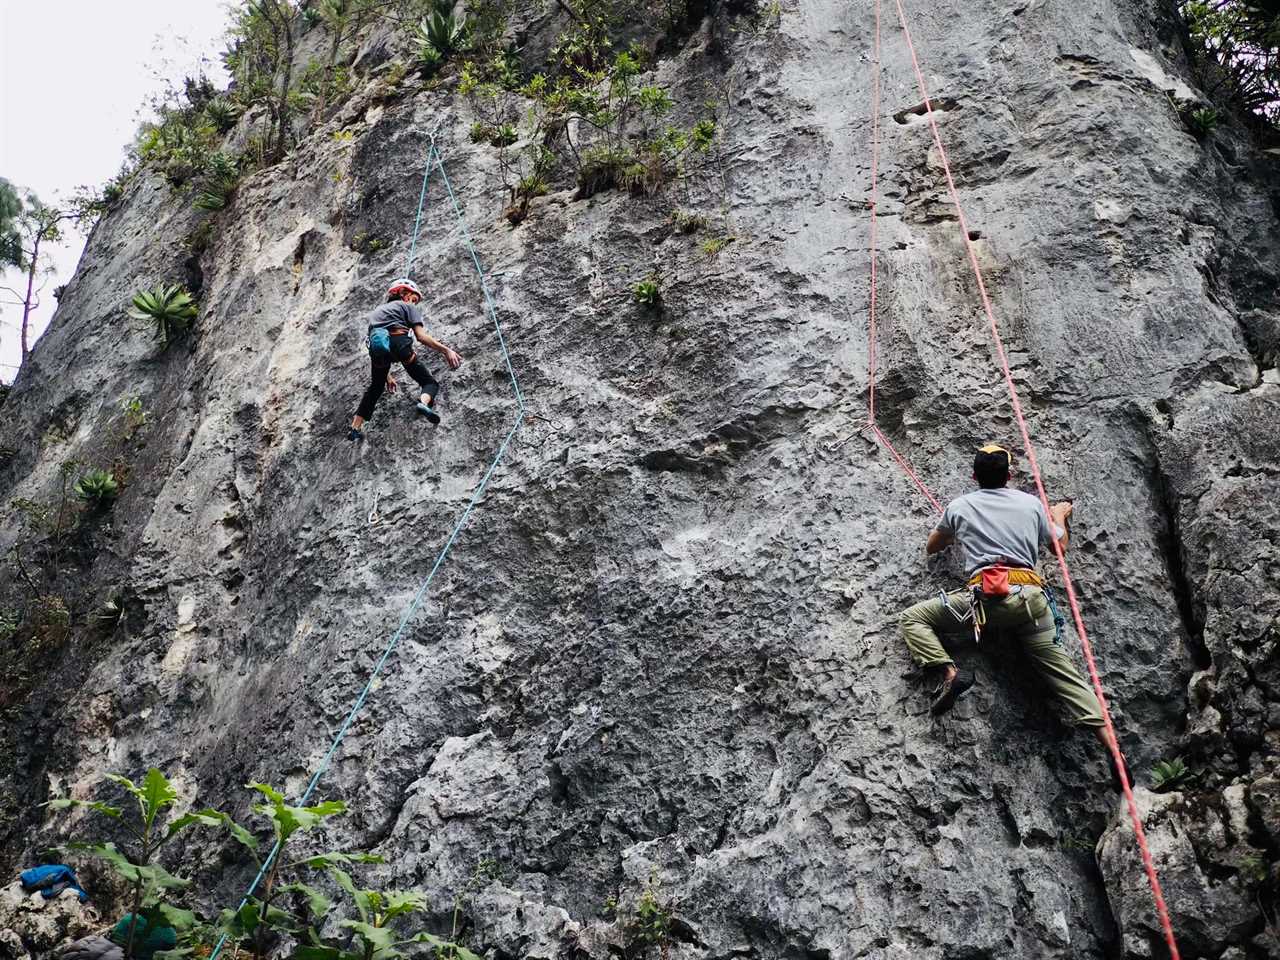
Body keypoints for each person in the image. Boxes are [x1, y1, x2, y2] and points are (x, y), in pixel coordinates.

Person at [898, 444, 1126, 781]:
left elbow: (933, 546)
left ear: (974, 476)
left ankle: (949, 675)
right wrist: (1059, 514)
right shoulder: (1031, 504)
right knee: (1068, 678)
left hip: (986, 602)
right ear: (1009, 475)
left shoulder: (960, 506)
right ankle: (1113, 750)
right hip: (1032, 601)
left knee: (913, 618)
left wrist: (953, 533)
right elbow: (1058, 547)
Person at [349, 278, 462, 441]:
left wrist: (386, 375)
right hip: (400, 345)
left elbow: (374, 343)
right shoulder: (407, 307)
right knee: (429, 382)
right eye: (413, 299)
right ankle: (423, 403)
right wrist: (446, 350)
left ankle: (354, 428)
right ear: (403, 294)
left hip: (379, 352)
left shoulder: (376, 313)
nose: (414, 303)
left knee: (375, 388)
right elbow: (421, 337)